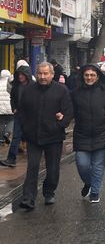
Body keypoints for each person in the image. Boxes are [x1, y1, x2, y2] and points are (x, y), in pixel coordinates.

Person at [18, 62, 74, 210]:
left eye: (45, 74)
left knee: (53, 168)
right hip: (33, 136)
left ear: (52, 74)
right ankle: (28, 198)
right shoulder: (29, 90)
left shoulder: (61, 90)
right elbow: (22, 111)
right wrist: (25, 128)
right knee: (33, 167)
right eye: (40, 74)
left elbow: (68, 112)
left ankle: (49, 191)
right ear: (36, 74)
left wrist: (61, 123)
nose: (42, 77)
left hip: (54, 137)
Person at [72, 64, 105, 203]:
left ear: (97, 76)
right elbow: (70, 109)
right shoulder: (76, 92)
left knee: (98, 166)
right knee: (82, 164)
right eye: (86, 75)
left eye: (92, 75)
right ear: (82, 76)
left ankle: (95, 192)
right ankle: (89, 183)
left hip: (101, 132)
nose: (89, 77)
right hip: (81, 133)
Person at [0, 64, 32, 167]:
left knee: (30, 136)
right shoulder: (16, 86)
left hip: (30, 115)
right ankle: (11, 159)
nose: (20, 77)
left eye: (22, 75)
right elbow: (12, 98)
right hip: (19, 114)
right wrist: (13, 107)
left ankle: (34, 156)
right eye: (19, 74)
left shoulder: (33, 86)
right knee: (16, 136)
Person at [0, 70, 12, 144]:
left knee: (1, 123)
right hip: (9, 107)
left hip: (0, 108)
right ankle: (7, 133)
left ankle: (1, 139)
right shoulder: (11, 83)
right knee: (11, 121)